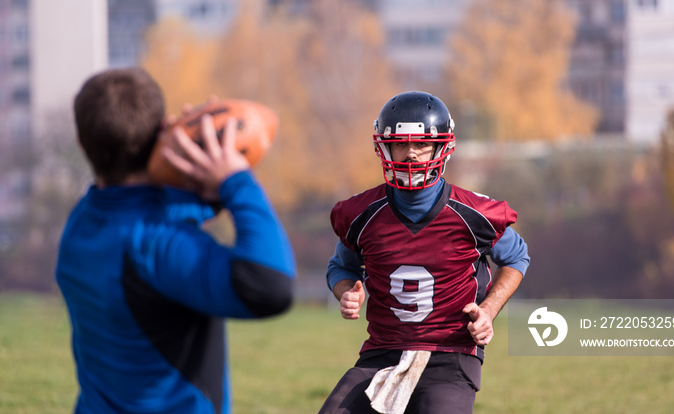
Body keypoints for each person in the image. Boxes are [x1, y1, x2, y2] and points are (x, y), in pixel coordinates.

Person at [55, 68, 296, 413]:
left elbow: (147, 205)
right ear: (160, 130)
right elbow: (271, 286)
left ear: (83, 144)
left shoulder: (82, 221)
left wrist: (189, 152)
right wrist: (237, 180)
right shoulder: (155, 246)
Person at [319, 91, 530, 414]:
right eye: (400, 144)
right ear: (384, 147)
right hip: (382, 351)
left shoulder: (473, 213)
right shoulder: (362, 214)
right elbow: (341, 267)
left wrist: (488, 310)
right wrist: (346, 291)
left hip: (451, 354)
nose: (411, 155)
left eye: (421, 144)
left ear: (441, 147)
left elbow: (516, 258)